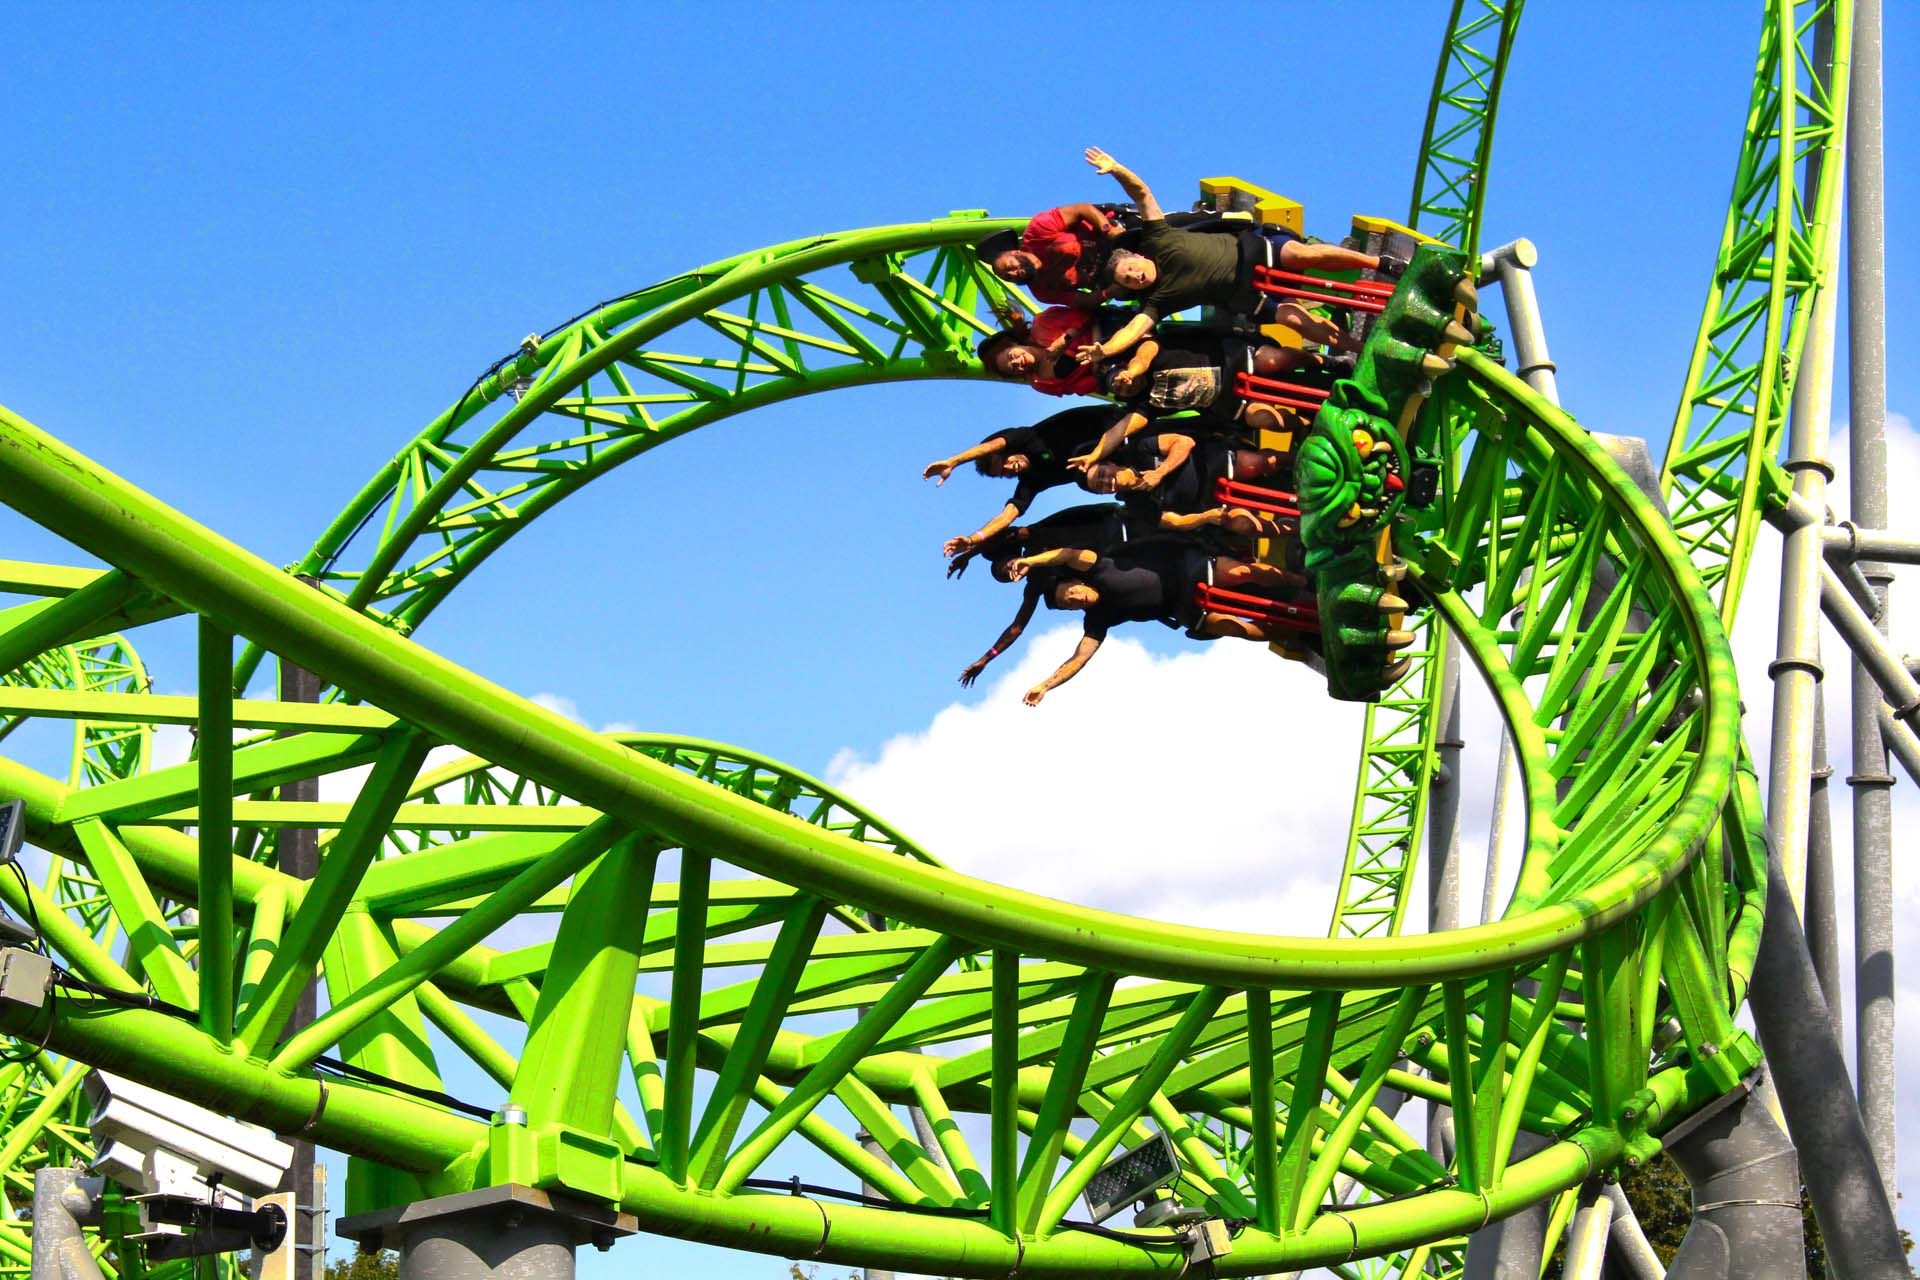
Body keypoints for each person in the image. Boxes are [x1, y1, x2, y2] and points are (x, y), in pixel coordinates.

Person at [1076, 146, 1395, 364]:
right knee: (1295, 319)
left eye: (1131, 269)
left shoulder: (1157, 239)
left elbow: (1142, 194)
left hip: (1251, 252)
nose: (1136, 277)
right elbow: (1133, 331)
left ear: (1137, 256)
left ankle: (1379, 263)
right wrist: (1106, 351)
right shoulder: (1157, 302)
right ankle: (1358, 349)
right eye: (1129, 281)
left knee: (1300, 254)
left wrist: (1116, 169)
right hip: (1245, 295)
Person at [1003, 541, 1309, 705]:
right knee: (1236, 628)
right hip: (1182, 607)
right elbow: (1078, 658)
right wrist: (1045, 685)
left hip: (1187, 569)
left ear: (1076, 582)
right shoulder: (1097, 619)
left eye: (1071, 592)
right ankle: (1297, 630)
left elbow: (1067, 554)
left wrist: (1030, 561)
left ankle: (1299, 579)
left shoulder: (1098, 567)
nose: (1075, 598)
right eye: (1069, 603)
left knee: (1242, 573)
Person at [951, 503, 1163, 686]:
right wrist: (986, 659)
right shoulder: (1037, 583)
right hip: (1124, 555)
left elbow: (1000, 536)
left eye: (1006, 567)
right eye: (1007, 576)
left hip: (1111, 523)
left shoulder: (1029, 536)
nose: (1010, 571)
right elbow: (1016, 628)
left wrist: (969, 553)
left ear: (1010, 556)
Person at [924, 405, 1120, 559]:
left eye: (1004, 461)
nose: (1009, 468)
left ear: (1010, 450)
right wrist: (972, 540)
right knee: (1092, 478)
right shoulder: (1032, 480)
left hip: (1113, 422)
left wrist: (954, 461)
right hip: (1117, 460)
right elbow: (1006, 517)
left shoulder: (1027, 437)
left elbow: (993, 445)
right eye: (1004, 473)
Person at [1078, 432, 1296, 540]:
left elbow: (1184, 442)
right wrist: (1205, 517)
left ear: (1110, 463)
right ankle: (1294, 529)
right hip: (1215, 504)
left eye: (1102, 475)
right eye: (1100, 486)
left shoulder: (1138, 450)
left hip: (1215, 463)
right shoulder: (1136, 506)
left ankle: (1298, 460)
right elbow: (1176, 521)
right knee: (1245, 526)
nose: (1106, 481)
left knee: (1257, 463)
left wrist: (1160, 472)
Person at [986, 203, 1124, 307]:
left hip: (1112, 236)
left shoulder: (1037, 232)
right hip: (1111, 273)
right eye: (1008, 277)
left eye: (1009, 266)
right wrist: (1109, 293)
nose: (1013, 274)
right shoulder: (1042, 291)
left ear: (1016, 252)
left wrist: (1108, 229)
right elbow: (1083, 300)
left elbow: (1081, 209)